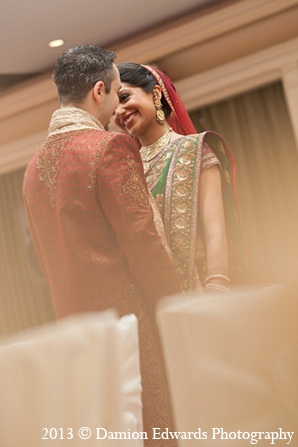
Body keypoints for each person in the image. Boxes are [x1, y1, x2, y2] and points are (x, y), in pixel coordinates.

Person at [23, 46, 182, 446]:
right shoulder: (108, 147)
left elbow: (46, 263)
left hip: (77, 338)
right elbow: (142, 242)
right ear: (99, 91)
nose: (115, 106)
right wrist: (179, 305)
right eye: (115, 92)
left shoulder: (31, 170)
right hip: (133, 329)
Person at [114, 62, 249, 293]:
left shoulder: (196, 149)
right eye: (112, 109)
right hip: (157, 298)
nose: (118, 113)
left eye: (124, 98)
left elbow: (216, 231)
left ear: (155, 94)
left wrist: (216, 288)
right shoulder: (127, 170)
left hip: (202, 293)